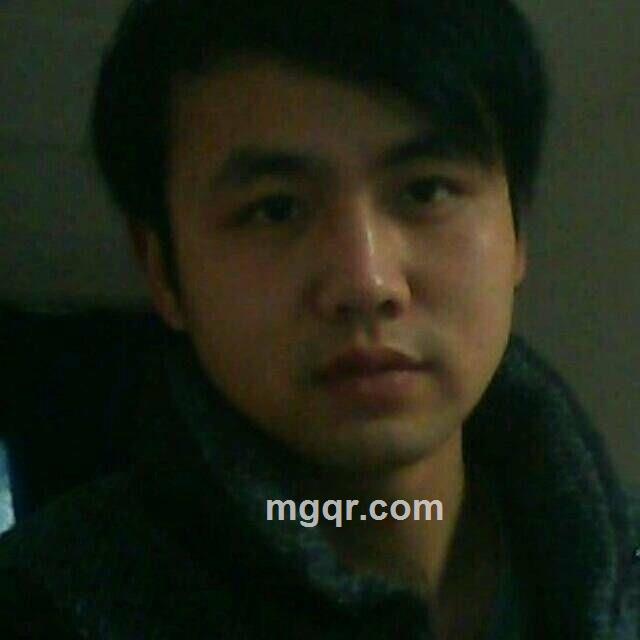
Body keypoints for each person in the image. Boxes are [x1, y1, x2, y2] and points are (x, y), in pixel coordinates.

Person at [0, 0, 638, 637]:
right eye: (276, 209)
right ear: (162, 270)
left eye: (426, 190)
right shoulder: (45, 607)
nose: (366, 283)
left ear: (517, 231)